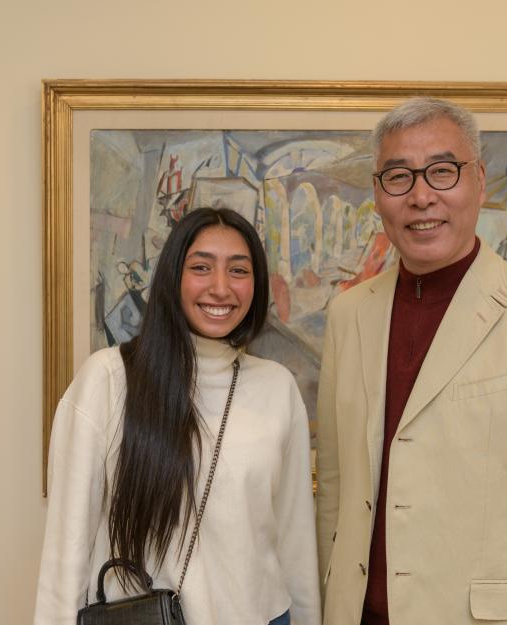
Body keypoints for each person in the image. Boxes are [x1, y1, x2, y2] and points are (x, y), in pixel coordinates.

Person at [314, 98, 507, 625]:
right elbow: (335, 491)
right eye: (398, 177)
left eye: (442, 172)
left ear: (477, 179)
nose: (422, 196)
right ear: (378, 194)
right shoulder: (348, 314)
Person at [35, 207, 321, 625]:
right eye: (201, 267)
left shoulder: (277, 387)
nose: (221, 288)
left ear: (256, 285)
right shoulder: (109, 379)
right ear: (173, 277)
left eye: (238, 270)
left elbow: (295, 541)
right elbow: (66, 549)